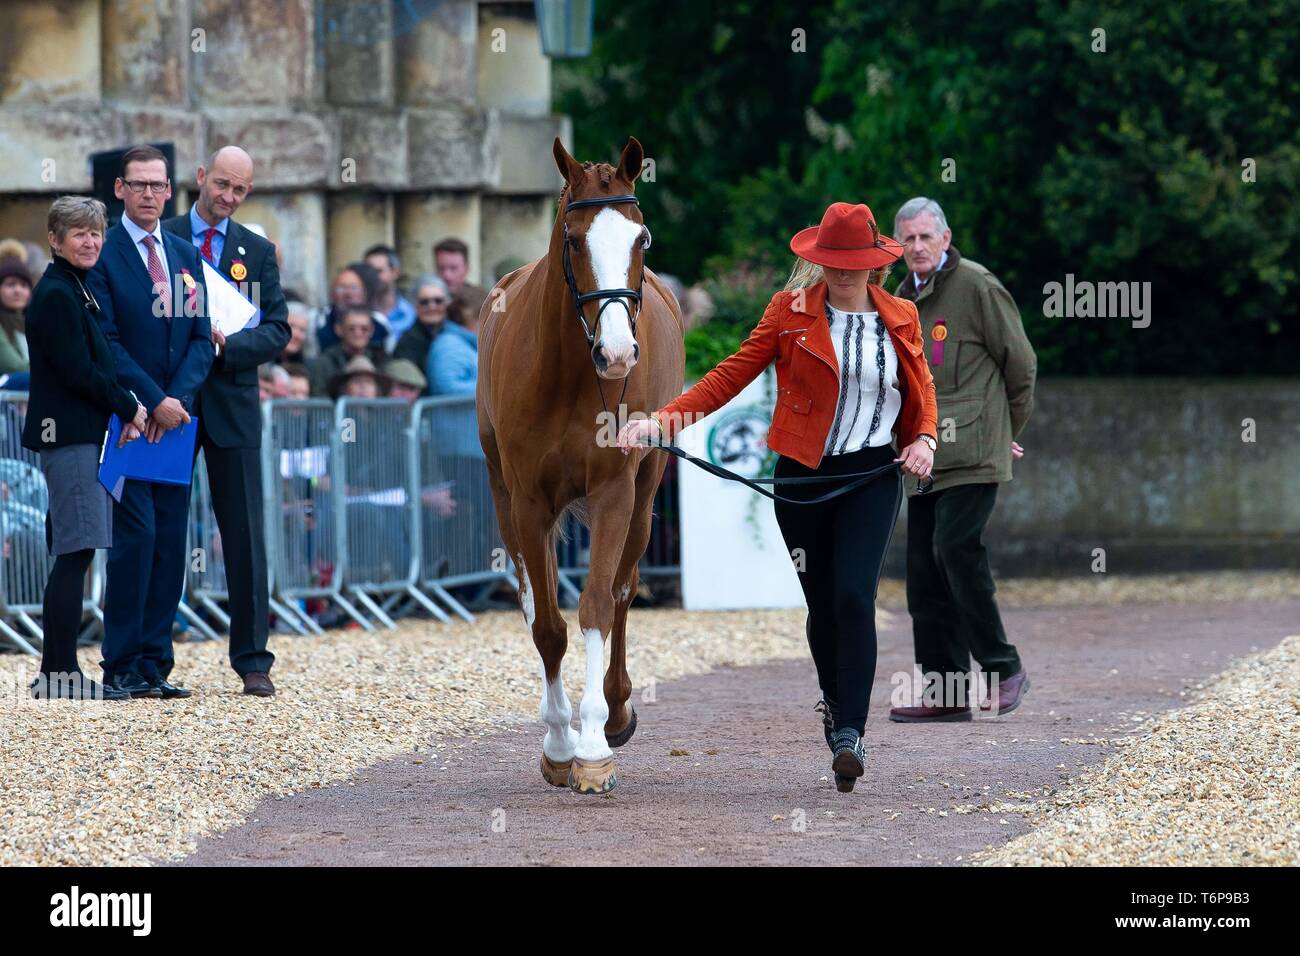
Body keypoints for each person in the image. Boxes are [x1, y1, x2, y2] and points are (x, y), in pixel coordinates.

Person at [617, 202, 939, 793]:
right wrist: (662, 421)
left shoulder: (902, 316)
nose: (843, 272)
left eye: (854, 263)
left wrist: (924, 438)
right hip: (802, 477)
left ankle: (851, 732)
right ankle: (833, 702)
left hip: (872, 475)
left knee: (854, 596)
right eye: (834, 262)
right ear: (820, 261)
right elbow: (730, 374)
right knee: (823, 602)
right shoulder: (789, 313)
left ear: (874, 264)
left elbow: (922, 388)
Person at [888, 197, 1037, 721]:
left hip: (974, 452)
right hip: (923, 457)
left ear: (945, 238)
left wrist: (1004, 431)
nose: (917, 246)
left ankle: (1004, 668)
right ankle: (946, 693)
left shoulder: (978, 286)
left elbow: (1021, 366)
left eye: (926, 236)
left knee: (955, 549)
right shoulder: (899, 298)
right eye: (908, 238)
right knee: (923, 574)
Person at [163, 144, 290, 697]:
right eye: (221, 184)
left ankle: (253, 660)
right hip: (170, 402)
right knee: (162, 528)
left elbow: (278, 329)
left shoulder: (255, 251)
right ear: (200, 177)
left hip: (232, 404)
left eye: (239, 189)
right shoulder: (162, 236)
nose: (228, 196)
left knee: (243, 536)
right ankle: (151, 656)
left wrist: (228, 346)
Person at [87, 144, 213, 700]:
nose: (148, 194)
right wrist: (152, 400)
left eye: (157, 185)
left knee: (169, 541)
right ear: (119, 189)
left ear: (169, 190)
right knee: (133, 540)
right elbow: (108, 341)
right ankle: (121, 664)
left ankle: (156, 662)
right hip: (129, 420)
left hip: (176, 422)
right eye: (137, 184)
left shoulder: (184, 254)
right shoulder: (105, 253)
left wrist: (176, 400)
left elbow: (201, 337)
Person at [21, 197, 149, 700]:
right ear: (55, 240)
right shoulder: (57, 293)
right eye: (79, 233)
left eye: (95, 233)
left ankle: (58, 672)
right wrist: (129, 406)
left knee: (75, 551)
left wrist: (121, 409)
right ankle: (59, 674)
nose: (91, 241)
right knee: (75, 552)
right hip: (69, 436)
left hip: (81, 433)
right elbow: (78, 371)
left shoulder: (76, 287)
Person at [311, 304, 387, 396]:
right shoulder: (324, 363)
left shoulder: (380, 359)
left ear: (372, 330)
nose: (358, 333)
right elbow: (319, 397)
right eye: (351, 329)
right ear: (339, 329)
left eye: (364, 329)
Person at [312, 262, 389, 352]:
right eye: (341, 288)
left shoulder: (379, 322)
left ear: (364, 293)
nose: (348, 294)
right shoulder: (317, 319)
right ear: (332, 294)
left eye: (354, 288)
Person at [391, 274, 451, 379]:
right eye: (424, 302)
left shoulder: (457, 333)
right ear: (415, 305)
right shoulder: (407, 343)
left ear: (447, 303)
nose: (432, 306)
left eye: (438, 301)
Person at [364, 244, 416, 347]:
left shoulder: (412, 314)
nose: (372, 276)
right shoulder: (359, 313)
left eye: (378, 271)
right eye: (368, 271)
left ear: (395, 273)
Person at [433, 237, 488, 329]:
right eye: (441, 268)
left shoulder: (481, 301)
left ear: (467, 269)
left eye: (453, 268)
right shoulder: (427, 302)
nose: (447, 275)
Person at [0, 255, 32, 374]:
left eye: (23, 285)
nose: (17, 290)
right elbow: (15, 368)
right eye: (10, 284)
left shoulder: (34, 322)